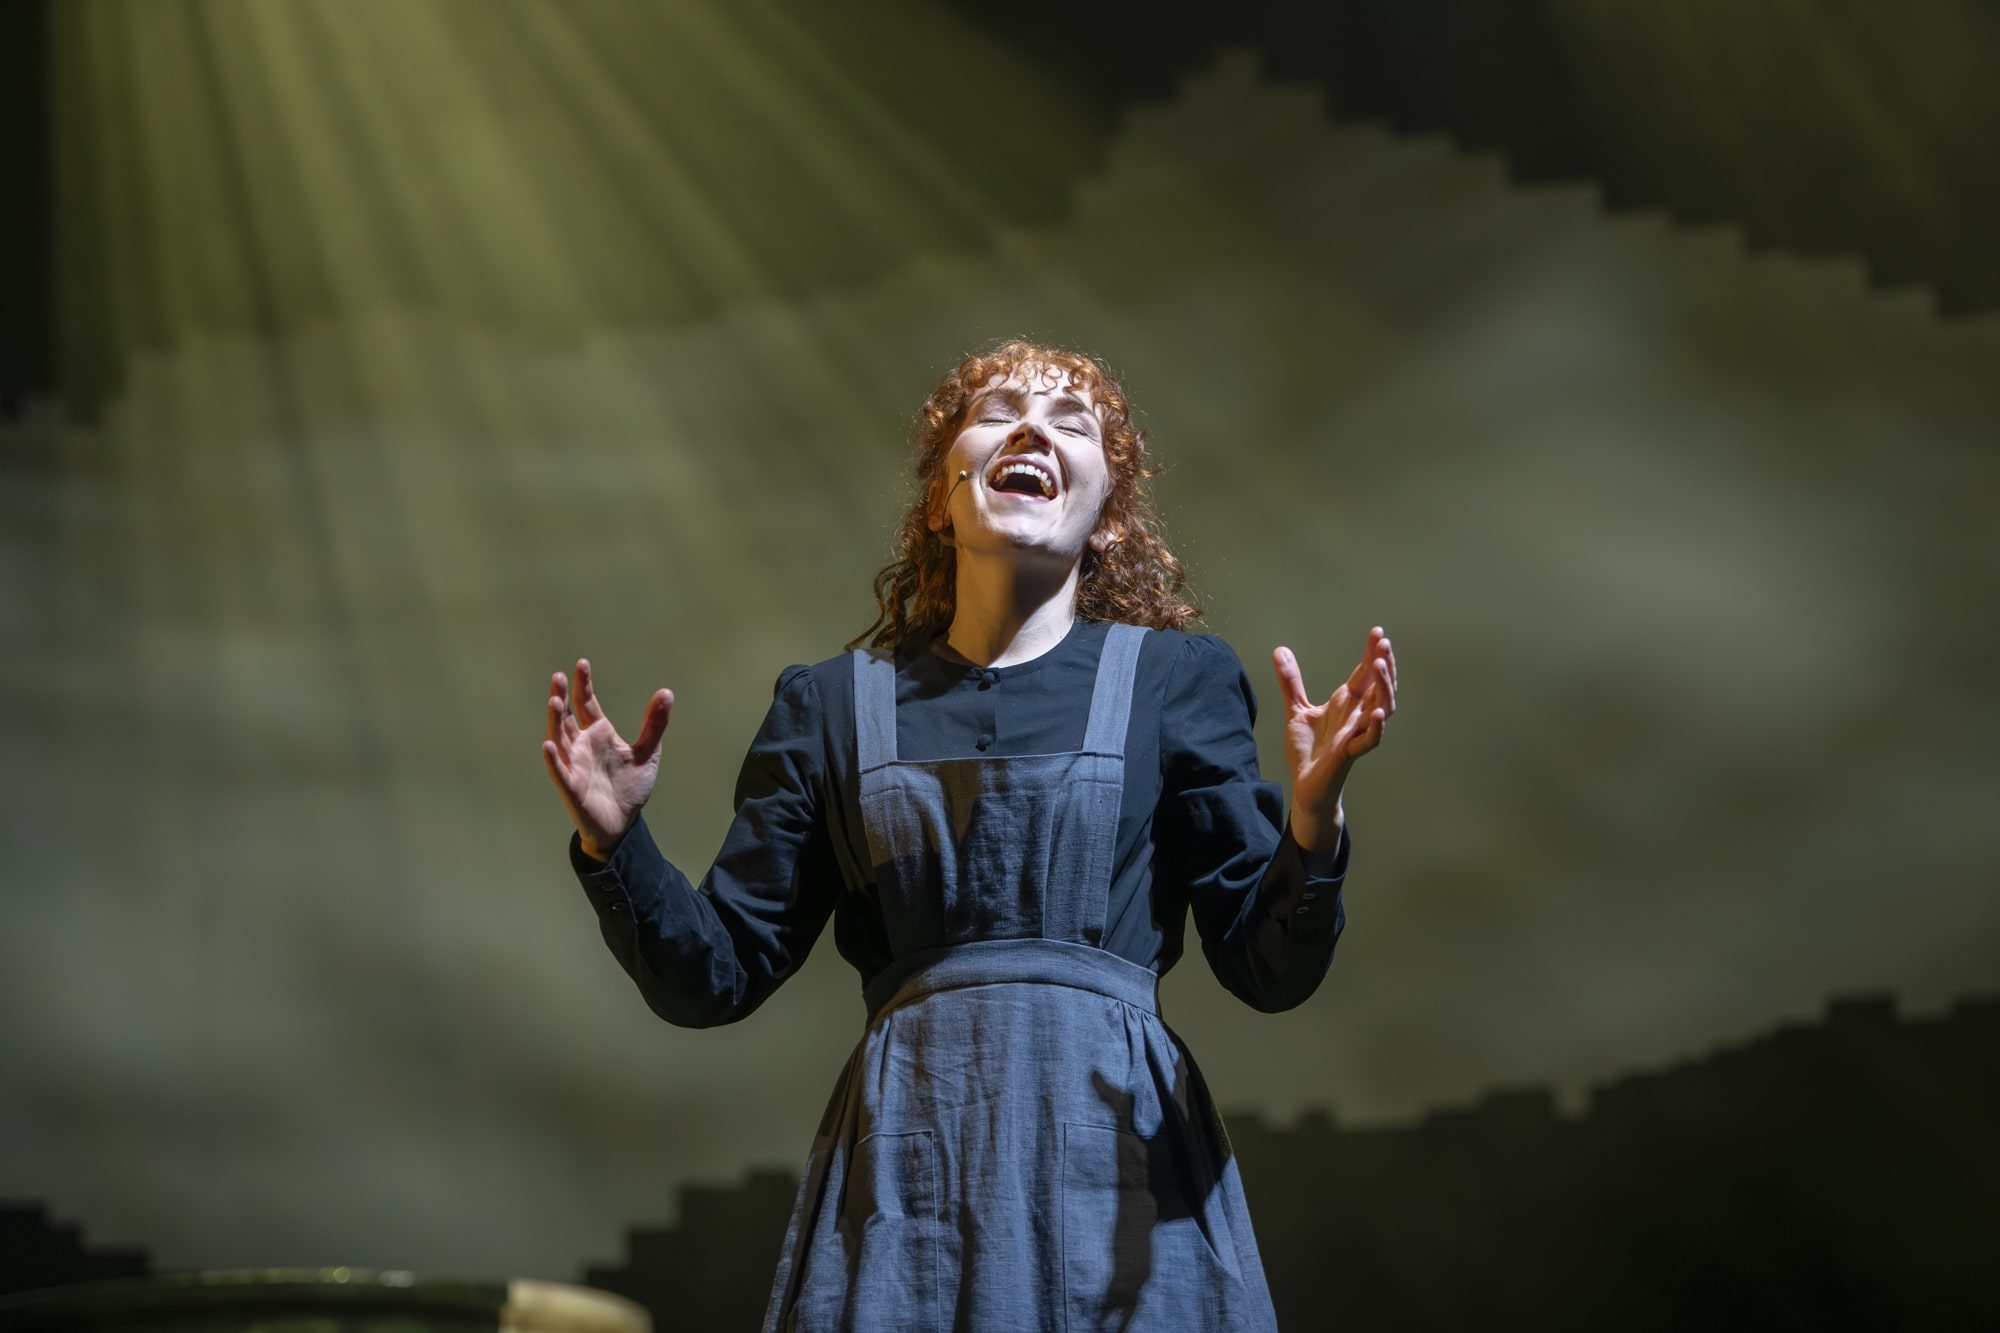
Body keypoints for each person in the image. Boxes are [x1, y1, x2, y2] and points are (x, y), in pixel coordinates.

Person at [541, 339, 1397, 1332]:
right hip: (910, 1179)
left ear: (1106, 517)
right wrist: (617, 846)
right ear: (940, 502)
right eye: (997, 413)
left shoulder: (1176, 683)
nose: (1032, 428)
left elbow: (1268, 968)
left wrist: (1313, 817)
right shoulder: (829, 706)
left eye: (1071, 423)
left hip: (1121, 1183)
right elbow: (715, 974)